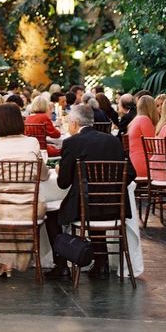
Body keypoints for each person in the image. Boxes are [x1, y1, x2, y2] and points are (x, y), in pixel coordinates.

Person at [45, 104, 134, 280]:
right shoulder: (113, 140)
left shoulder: (72, 142)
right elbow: (131, 173)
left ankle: (61, 265)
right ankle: (102, 263)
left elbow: (63, 183)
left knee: (52, 215)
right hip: (114, 208)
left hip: (85, 208)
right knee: (94, 208)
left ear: (75, 123)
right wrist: (110, 189)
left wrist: (58, 171)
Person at [0, 103, 49, 276]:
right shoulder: (32, 143)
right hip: (31, 209)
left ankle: (2, 261)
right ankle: (14, 262)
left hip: (2, 210)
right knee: (7, 211)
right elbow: (43, 175)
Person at [127, 94, 158, 177]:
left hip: (134, 163)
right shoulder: (145, 120)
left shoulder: (135, 120)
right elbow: (153, 147)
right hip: (145, 164)